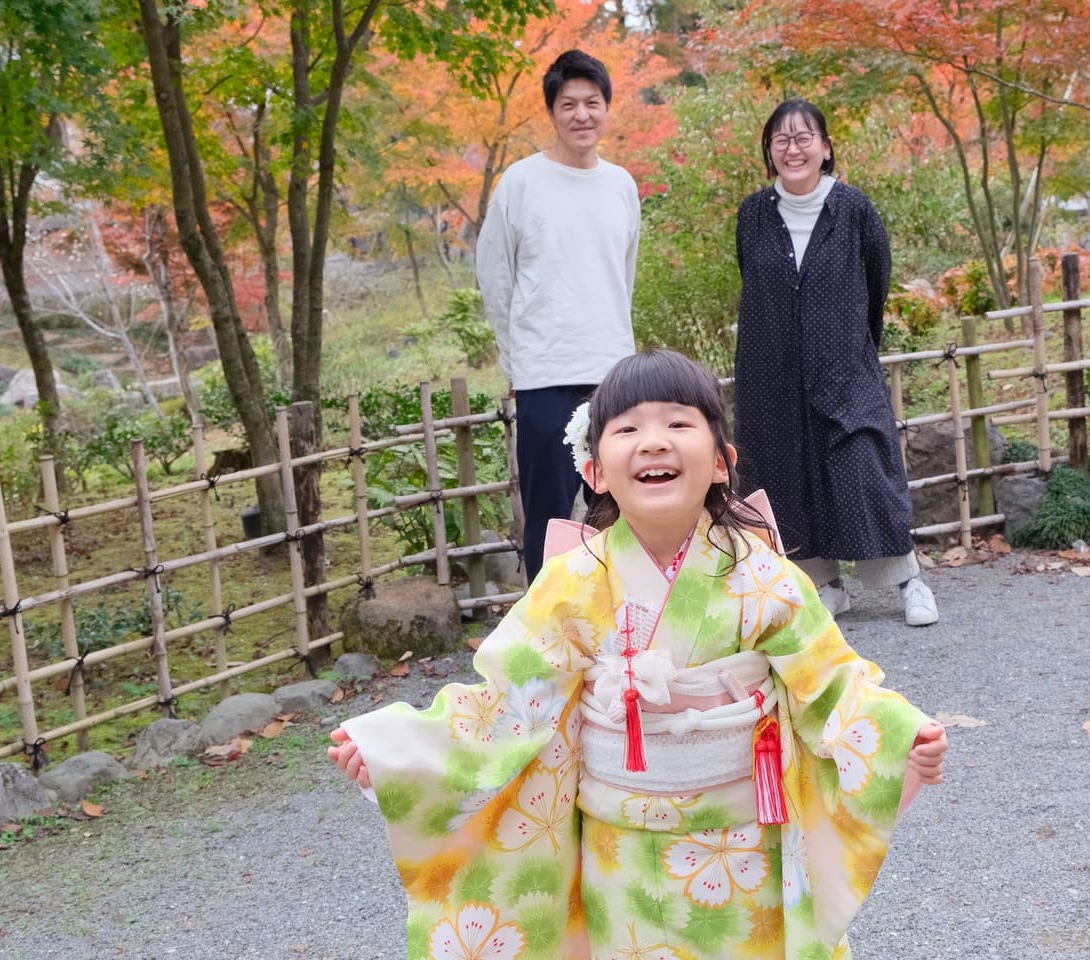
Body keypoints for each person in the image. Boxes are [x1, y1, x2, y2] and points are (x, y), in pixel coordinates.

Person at [329, 349, 949, 960]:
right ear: (596, 471)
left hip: (738, 849)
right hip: (616, 851)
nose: (654, 442)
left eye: (679, 423)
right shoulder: (571, 583)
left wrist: (897, 733)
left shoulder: (769, 580)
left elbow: (832, 684)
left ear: (721, 463)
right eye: (628, 429)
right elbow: (509, 702)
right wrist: (402, 756)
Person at [732, 99, 940, 627]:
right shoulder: (753, 215)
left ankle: (907, 580)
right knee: (784, 471)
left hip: (845, 362)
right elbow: (753, 285)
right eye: (781, 139)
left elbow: (877, 285)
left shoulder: (853, 210)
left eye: (805, 138)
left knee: (864, 467)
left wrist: (849, 343)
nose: (793, 148)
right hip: (770, 370)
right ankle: (823, 583)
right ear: (769, 151)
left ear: (825, 148)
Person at [475, 48, 640, 583]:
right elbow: (495, 277)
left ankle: (620, 622)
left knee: (617, 505)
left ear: (607, 108)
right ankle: (543, 635)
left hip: (612, 371)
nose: (581, 115)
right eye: (568, 104)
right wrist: (516, 354)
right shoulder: (520, 184)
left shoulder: (621, 185)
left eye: (592, 102)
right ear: (551, 111)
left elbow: (624, 274)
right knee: (549, 512)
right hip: (544, 372)